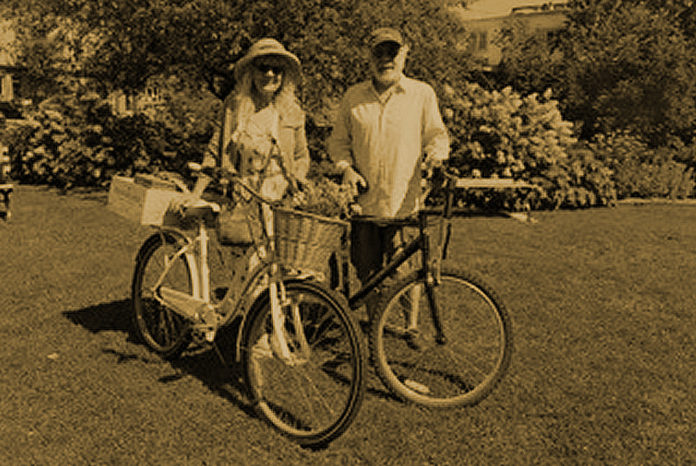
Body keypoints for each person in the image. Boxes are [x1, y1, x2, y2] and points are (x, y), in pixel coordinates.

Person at [327, 27, 450, 287]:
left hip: (404, 203)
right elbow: (338, 143)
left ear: (405, 54)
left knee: (406, 274)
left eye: (392, 52)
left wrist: (435, 157)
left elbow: (437, 136)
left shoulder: (421, 94)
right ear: (368, 57)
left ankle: (411, 328)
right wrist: (347, 169)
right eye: (379, 52)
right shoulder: (353, 96)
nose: (386, 59)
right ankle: (374, 327)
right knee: (367, 273)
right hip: (364, 204)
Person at [192, 37, 310, 201]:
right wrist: (195, 195)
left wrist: (297, 180)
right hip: (240, 200)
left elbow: (301, 156)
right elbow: (214, 151)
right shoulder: (234, 107)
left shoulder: (293, 112)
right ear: (251, 72)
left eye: (276, 69)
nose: (270, 74)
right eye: (263, 68)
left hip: (281, 204)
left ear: (284, 76)